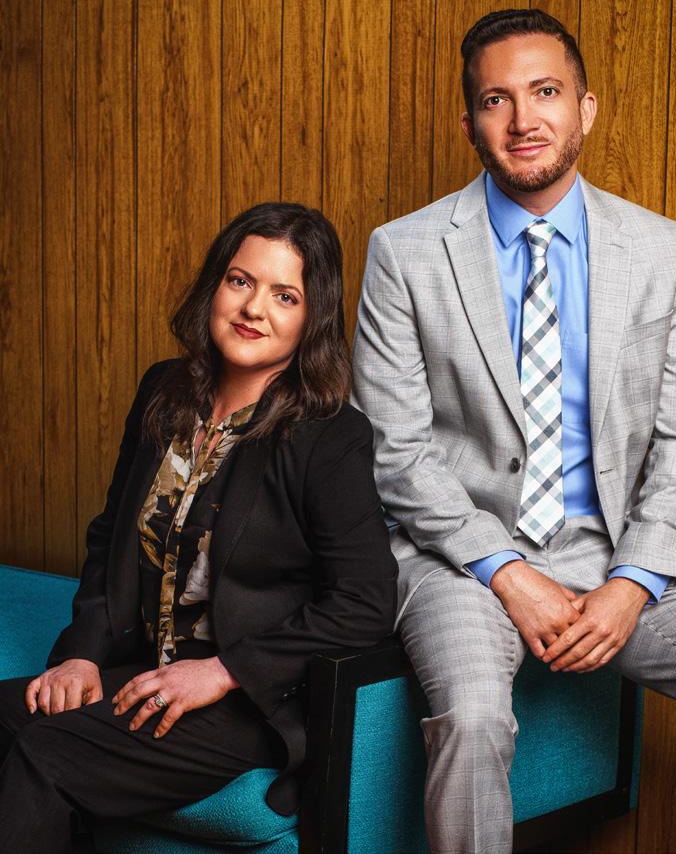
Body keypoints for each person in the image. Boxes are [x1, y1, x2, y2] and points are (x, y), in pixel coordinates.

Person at [352, 8, 676, 854]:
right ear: (469, 123)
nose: (523, 119)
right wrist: (506, 571)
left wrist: (633, 581)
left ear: (585, 109)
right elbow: (395, 450)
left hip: (612, 547)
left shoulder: (660, 249)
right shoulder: (403, 253)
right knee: (473, 718)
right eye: (497, 99)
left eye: (545, 92)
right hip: (457, 554)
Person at [0, 202, 398, 853]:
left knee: (48, 753)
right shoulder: (164, 390)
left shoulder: (330, 437)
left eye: (285, 295)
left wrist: (223, 671)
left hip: (248, 703)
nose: (254, 308)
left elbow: (366, 601)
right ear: (216, 284)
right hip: (144, 669)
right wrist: (82, 654)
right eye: (240, 281)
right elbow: (110, 536)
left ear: (312, 318)